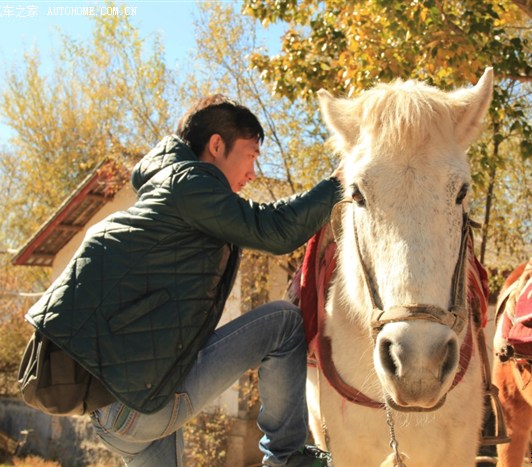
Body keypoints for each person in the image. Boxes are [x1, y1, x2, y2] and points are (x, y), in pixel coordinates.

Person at [24, 94, 343, 466]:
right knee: (284, 323)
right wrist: (339, 183)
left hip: (115, 414)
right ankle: (286, 459)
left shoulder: (166, 192)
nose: (253, 173)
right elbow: (272, 229)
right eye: (251, 155)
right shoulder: (190, 183)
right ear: (216, 145)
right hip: (138, 406)